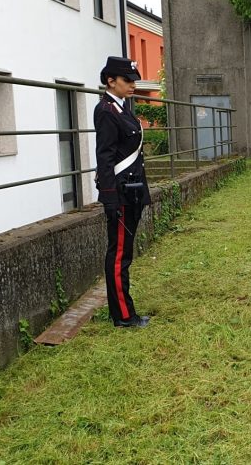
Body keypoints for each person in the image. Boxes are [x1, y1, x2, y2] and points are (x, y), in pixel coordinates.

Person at [94, 56, 151, 328]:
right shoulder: (106, 110)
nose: (133, 85)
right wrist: (109, 198)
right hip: (120, 193)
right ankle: (123, 316)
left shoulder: (122, 109)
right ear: (111, 81)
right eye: (128, 80)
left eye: (134, 80)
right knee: (118, 256)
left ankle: (124, 310)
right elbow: (104, 158)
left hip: (132, 192)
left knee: (124, 254)